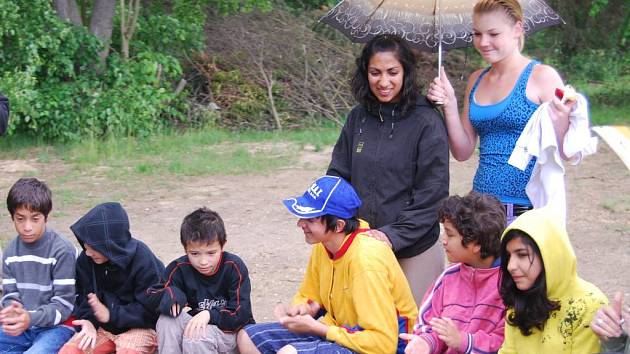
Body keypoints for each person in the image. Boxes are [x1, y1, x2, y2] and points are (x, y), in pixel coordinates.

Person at [426, 0, 577, 224]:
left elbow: (567, 151)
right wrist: (449, 104)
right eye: (477, 34)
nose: (484, 42)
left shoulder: (541, 76)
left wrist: (564, 116)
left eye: (493, 33)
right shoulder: (476, 79)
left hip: (526, 208)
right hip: (480, 208)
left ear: (518, 29)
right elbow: (462, 151)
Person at [327, 33, 450, 303]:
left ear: (406, 71)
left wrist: (390, 235)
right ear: (365, 73)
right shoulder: (358, 118)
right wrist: (337, 222)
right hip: (361, 244)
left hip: (413, 248)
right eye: (375, 72)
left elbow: (432, 195)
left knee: (412, 333)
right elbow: (338, 176)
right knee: (363, 332)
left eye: (392, 72)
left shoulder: (427, 120)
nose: (383, 82)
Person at [237, 175, 418, 354]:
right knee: (248, 337)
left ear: (338, 225)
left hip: (384, 347)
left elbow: (382, 344)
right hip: (339, 332)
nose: (300, 224)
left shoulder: (366, 260)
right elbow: (310, 294)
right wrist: (303, 308)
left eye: (311, 219)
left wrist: (320, 329)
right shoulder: (325, 243)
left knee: (290, 353)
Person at [401, 192, 506, 354]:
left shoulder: (509, 285)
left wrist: (462, 341)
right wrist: (425, 342)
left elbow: (506, 342)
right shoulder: (448, 277)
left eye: (450, 234)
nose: (443, 240)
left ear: (476, 243)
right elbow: (430, 324)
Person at [59, 202, 165, 354]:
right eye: (85, 245)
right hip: (102, 328)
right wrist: (88, 322)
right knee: (71, 351)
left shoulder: (143, 260)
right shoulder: (87, 260)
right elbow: (84, 299)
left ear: (110, 244)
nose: (88, 252)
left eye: (93, 247)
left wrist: (111, 314)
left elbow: (152, 310)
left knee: (127, 351)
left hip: (139, 328)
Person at [498, 206, 607, 353]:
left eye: (522, 255)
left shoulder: (589, 304)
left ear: (549, 255)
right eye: (509, 256)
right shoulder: (519, 299)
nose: (511, 266)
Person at [148, 207, 254, 354]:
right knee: (167, 321)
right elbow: (153, 294)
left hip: (229, 332)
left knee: (197, 337)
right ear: (185, 249)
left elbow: (242, 314)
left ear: (223, 245)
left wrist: (209, 314)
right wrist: (171, 295)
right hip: (196, 324)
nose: (203, 261)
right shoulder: (178, 268)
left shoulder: (233, 266)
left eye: (211, 253)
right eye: (195, 253)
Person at [0, 177, 77, 352]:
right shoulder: (11, 252)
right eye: (20, 219)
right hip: (24, 326)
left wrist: (30, 318)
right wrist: (12, 311)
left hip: (58, 327)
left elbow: (64, 305)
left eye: (35, 219)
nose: (27, 227)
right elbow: (10, 295)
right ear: (12, 217)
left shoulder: (62, 250)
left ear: (46, 217)